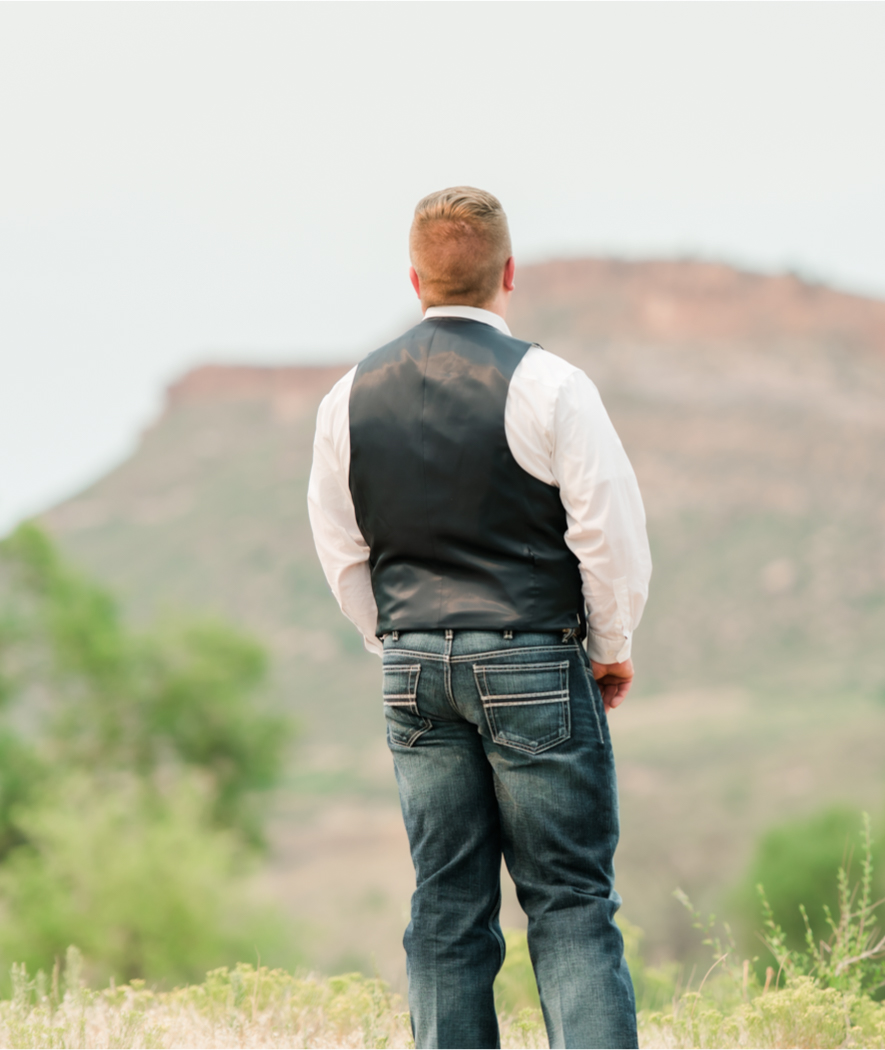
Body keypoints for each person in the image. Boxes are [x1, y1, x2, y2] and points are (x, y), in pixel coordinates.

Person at [306, 186, 650, 1049]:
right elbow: (607, 533)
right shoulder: (552, 385)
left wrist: (399, 644)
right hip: (532, 656)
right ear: (509, 272)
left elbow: (342, 550)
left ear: (414, 278)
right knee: (569, 902)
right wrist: (610, 647)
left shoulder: (347, 396)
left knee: (446, 903)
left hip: (412, 669)